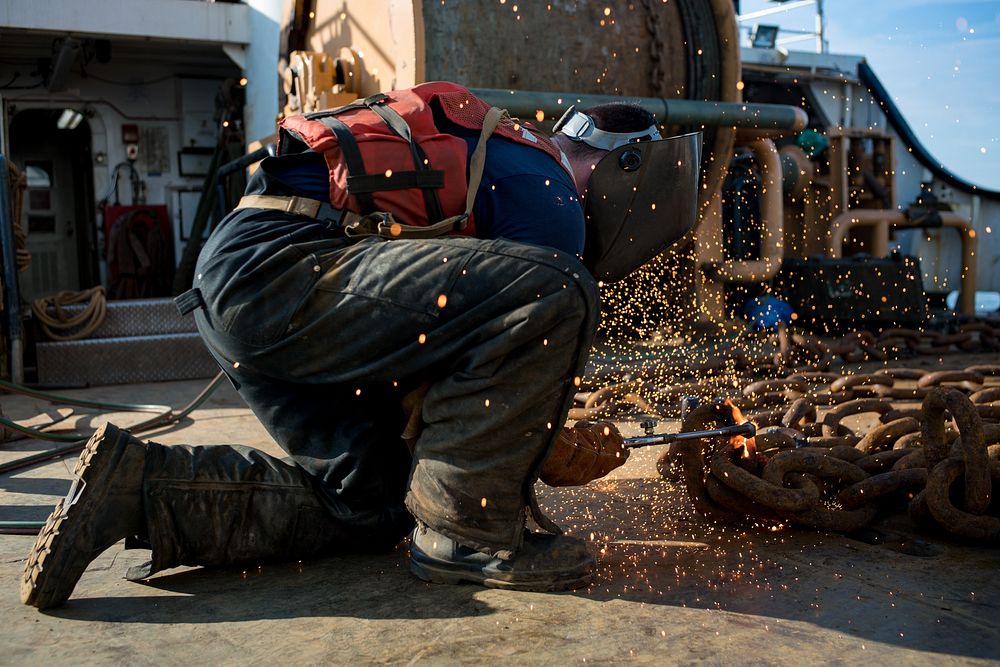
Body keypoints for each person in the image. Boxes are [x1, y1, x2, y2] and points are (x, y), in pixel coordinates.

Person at [21, 82, 698, 609]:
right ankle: (466, 536)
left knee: (369, 503)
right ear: (624, 166)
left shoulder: (508, 151)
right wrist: (538, 444)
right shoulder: (553, 196)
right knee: (563, 288)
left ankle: (135, 487)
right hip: (283, 271)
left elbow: (445, 342)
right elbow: (518, 328)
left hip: (243, 279)